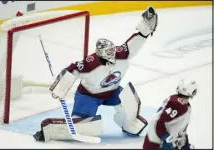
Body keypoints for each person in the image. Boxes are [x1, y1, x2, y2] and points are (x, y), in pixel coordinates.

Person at [33, 6, 158, 142]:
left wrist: (145, 29)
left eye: (112, 50)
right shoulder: (90, 64)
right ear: (100, 54)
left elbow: (135, 42)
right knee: (84, 126)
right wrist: (60, 86)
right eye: (108, 52)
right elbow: (72, 70)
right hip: (88, 96)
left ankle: (128, 124)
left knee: (130, 101)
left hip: (111, 92)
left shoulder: (122, 54)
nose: (112, 54)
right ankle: (48, 131)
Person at [143, 79, 197, 149]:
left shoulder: (178, 101)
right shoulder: (178, 105)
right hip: (156, 144)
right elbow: (158, 122)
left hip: (159, 141)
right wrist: (166, 139)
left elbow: (180, 130)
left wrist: (184, 144)